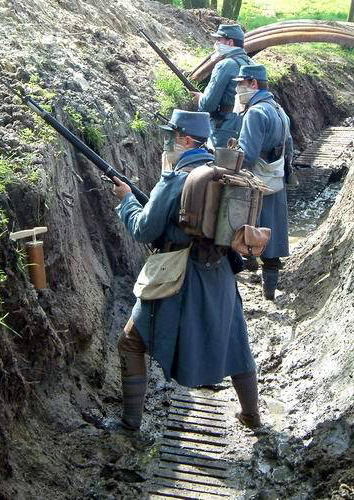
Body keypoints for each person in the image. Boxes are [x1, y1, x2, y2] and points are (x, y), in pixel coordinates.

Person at [112, 109, 261, 436]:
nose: (166, 143)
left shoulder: (175, 179)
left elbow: (142, 230)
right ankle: (252, 417)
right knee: (236, 343)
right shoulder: (221, 172)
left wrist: (126, 201)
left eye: (170, 136)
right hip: (220, 273)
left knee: (130, 342)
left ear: (184, 139)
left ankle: (128, 424)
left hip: (179, 277)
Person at [234, 64, 293, 300]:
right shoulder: (279, 110)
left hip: (255, 185)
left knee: (245, 231)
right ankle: (269, 291)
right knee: (273, 239)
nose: (238, 89)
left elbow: (246, 156)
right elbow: (290, 148)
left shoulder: (256, 113)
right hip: (276, 180)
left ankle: (246, 267)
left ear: (253, 84)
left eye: (240, 84)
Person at [191, 24, 253, 148]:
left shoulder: (225, 65)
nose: (216, 44)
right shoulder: (251, 63)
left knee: (218, 165)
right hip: (248, 125)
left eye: (219, 40)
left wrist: (199, 99)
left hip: (225, 128)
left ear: (230, 42)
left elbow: (208, 105)